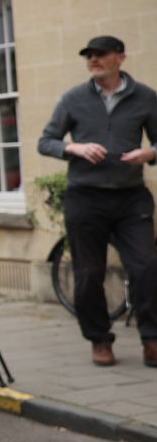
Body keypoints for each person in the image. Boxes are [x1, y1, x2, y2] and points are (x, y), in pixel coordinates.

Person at [36, 34, 157, 366]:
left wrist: (149, 153)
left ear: (120, 57)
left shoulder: (145, 97)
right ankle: (99, 339)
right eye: (89, 55)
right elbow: (45, 141)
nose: (93, 60)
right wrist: (73, 148)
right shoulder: (73, 99)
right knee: (89, 274)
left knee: (146, 267)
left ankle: (152, 338)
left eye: (101, 54)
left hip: (131, 198)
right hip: (85, 198)